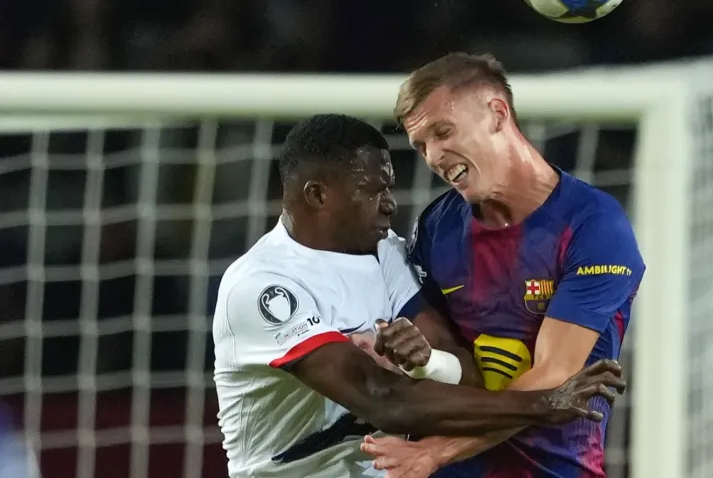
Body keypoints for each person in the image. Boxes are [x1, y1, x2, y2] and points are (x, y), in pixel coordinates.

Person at [212, 114, 625, 478]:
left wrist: (428, 362)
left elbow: (468, 374)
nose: (390, 204)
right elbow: (381, 399)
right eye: (371, 190)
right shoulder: (263, 288)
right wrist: (543, 405)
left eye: (389, 187)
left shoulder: (384, 252)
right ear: (318, 195)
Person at [361, 54, 645, 477]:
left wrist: (435, 451)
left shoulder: (593, 226)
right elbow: (444, 356)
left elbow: (553, 379)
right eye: (421, 145)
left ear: (497, 114)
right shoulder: (437, 228)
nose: (434, 156)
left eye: (443, 132)